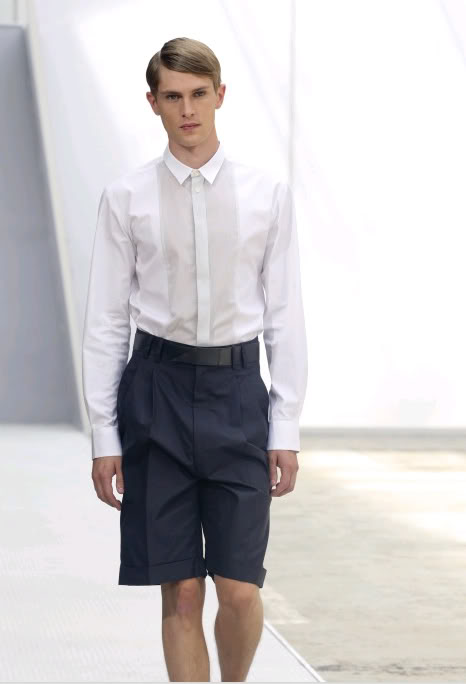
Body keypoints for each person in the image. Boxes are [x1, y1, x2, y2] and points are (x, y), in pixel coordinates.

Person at [81, 36, 308, 682]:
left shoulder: (267, 196)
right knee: (180, 592)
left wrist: (286, 426)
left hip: (237, 395)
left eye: (199, 94)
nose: (188, 110)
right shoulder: (126, 198)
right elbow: (106, 322)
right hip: (156, 394)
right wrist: (104, 435)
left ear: (220, 96)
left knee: (239, 589)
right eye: (173, 96)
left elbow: (285, 316)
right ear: (152, 103)